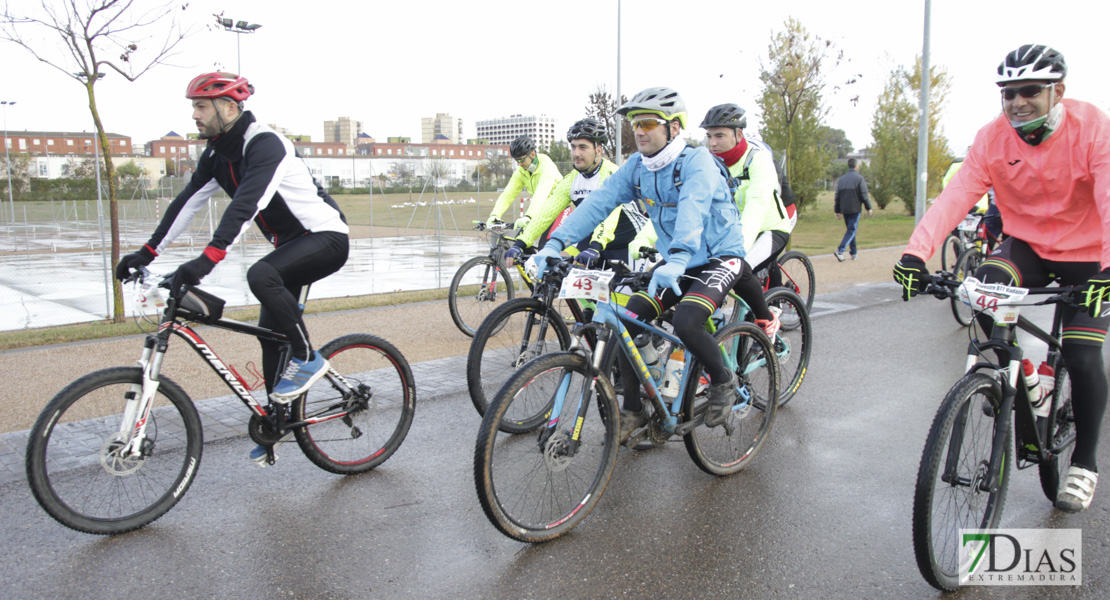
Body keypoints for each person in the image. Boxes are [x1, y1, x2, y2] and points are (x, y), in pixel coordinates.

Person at [893, 44, 1110, 513]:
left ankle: (1085, 464)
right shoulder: (992, 138)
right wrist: (915, 253)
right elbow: (955, 197)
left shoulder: (1093, 127)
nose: (1017, 101)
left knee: (1082, 351)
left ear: (1058, 92)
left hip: (1091, 254)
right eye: (1008, 93)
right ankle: (1018, 374)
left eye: (1030, 91)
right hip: (1027, 246)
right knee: (984, 289)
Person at [114, 72, 350, 464]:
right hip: (291, 245)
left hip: (324, 237)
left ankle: (308, 357)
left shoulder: (265, 144)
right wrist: (147, 252)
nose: (194, 114)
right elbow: (188, 203)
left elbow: (247, 204)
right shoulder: (216, 154)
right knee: (270, 335)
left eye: (201, 106)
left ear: (229, 107)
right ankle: (277, 423)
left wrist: (207, 259)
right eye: (192, 106)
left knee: (260, 275)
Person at [531, 87, 775, 439]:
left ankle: (723, 380)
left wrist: (676, 258)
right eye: (635, 124)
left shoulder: (698, 162)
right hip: (676, 262)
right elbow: (599, 202)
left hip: (721, 256)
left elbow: (693, 208)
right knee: (628, 319)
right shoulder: (638, 167)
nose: (639, 131)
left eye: (647, 123)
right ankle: (633, 409)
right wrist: (555, 243)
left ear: (674, 128)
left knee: (689, 322)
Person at [513, 118, 650, 269]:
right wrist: (521, 242)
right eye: (573, 147)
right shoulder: (571, 179)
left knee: (625, 291)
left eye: (583, 147)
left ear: (598, 150)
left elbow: (608, 216)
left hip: (627, 242)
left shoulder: (611, 174)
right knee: (564, 280)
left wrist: (596, 246)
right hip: (593, 242)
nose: (576, 153)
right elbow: (546, 214)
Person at [702, 103, 795, 292]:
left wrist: (739, 248)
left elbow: (757, 206)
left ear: (738, 135)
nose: (712, 143)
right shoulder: (708, 164)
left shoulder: (757, 159)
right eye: (709, 136)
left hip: (769, 229)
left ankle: (768, 316)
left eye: (719, 136)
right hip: (732, 232)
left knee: (740, 271)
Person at [487, 135, 562, 265]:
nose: (519, 164)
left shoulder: (547, 166)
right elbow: (508, 193)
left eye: (521, 160)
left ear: (532, 154)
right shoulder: (522, 171)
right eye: (516, 161)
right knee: (520, 242)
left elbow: (542, 192)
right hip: (542, 211)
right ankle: (539, 279)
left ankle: (552, 280)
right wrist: (495, 214)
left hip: (559, 210)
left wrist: (529, 216)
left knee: (546, 251)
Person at [833, 158, 872, 261]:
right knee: (851, 230)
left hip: (845, 208)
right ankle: (840, 250)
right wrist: (869, 207)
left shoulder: (841, 179)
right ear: (856, 166)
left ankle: (853, 252)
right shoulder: (859, 178)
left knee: (850, 230)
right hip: (855, 208)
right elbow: (864, 195)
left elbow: (837, 196)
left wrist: (837, 210)